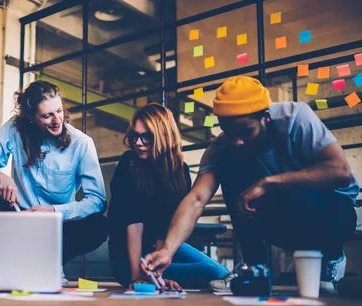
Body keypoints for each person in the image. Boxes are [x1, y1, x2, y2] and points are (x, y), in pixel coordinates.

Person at [142, 76, 359, 292]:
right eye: (230, 132)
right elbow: (196, 199)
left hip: (335, 216)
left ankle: (332, 259)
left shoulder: (295, 118)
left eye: (246, 131)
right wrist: (168, 250)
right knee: (229, 165)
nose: (237, 141)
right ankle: (254, 270)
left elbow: (340, 171)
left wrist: (268, 183)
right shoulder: (221, 148)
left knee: (294, 185)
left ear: (266, 117)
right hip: (282, 220)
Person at [0, 80, 108, 284]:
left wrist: (55, 211)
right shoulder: (14, 129)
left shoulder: (81, 143)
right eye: (47, 116)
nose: (57, 120)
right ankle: (13, 259)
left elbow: (97, 201)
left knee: (99, 224)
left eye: (59, 111)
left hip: (57, 228)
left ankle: (50, 261)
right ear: (30, 117)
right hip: (16, 221)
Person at [108, 103, 229, 290]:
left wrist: (159, 275)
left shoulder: (180, 170)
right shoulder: (128, 163)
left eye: (146, 137)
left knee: (222, 274)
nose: (138, 143)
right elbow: (133, 224)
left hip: (161, 248)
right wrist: (137, 277)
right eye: (135, 136)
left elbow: (166, 226)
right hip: (128, 255)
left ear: (163, 136)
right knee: (211, 274)